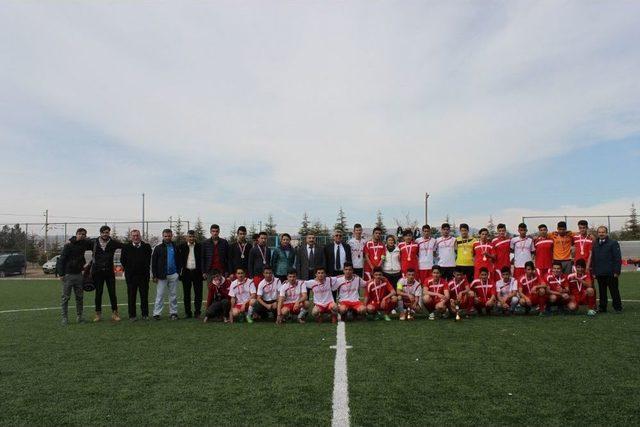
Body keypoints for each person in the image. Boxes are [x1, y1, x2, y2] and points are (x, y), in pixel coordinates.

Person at [57, 228, 93, 325]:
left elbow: (94, 242)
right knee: (65, 298)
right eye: (80, 234)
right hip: (68, 275)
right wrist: (61, 274)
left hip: (79, 275)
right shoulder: (68, 245)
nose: (82, 236)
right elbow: (61, 260)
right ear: (76, 234)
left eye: (84, 234)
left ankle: (79, 317)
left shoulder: (85, 244)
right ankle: (64, 318)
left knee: (79, 297)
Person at [91, 225, 124, 322]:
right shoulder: (93, 242)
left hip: (109, 272)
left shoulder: (113, 243)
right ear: (100, 233)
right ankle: (98, 314)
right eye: (103, 232)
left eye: (107, 232)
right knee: (98, 293)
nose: (105, 234)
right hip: (98, 272)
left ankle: (115, 313)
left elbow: (125, 246)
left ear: (109, 233)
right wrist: (72, 240)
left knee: (112, 293)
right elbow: (82, 243)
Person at [120, 229, 152, 321]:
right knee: (131, 296)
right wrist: (130, 269)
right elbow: (123, 260)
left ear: (140, 236)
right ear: (131, 237)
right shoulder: (126, 247)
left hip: (143, 276)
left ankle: (145, 314)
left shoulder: (146, 246)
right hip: (131, 276)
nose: (135, 237)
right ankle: (132, 315)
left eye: (137, 235)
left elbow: (148, 259)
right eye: (133, 235)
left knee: (144, 296)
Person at [591, 226, 622, 313]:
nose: (601, 234)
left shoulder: (613, 243)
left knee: (614, 291)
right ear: (597, 233)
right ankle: (602, 307)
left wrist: (617, 271)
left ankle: (617, 307)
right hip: (600, 273)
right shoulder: (595, 244)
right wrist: (594, 272)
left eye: (603, 232)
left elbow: (617, 258)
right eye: (599, 232)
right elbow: (593, 259)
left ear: (606, 233)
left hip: (611, 272)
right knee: (602, 292)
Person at [151, 229, 180, 320]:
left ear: (172, 236)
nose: (167, 237)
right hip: (161, 276)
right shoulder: (158, 247)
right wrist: (154, 275)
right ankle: (156, 313)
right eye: (165, 236)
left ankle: (173, 313)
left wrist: (178, 272)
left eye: (169, 236)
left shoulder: (176, 247)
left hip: (173, 275)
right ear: (163, 236)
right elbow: (154, 262)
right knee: (160, 295)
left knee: (173, 295)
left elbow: (180, 260)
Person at [177, 230, 203, 319]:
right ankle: (188, 313)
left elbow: (203, 260)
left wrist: (203, 272)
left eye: (193, 236)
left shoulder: (200, 247)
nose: (191, 238)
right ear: (186, 237)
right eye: (190, 236)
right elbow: (178, 260)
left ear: (195, 237)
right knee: (186, 294)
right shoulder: (181, 247)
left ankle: (197, 312)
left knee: (198, 294)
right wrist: (179, 272)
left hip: (197, 273)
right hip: (186, 273)